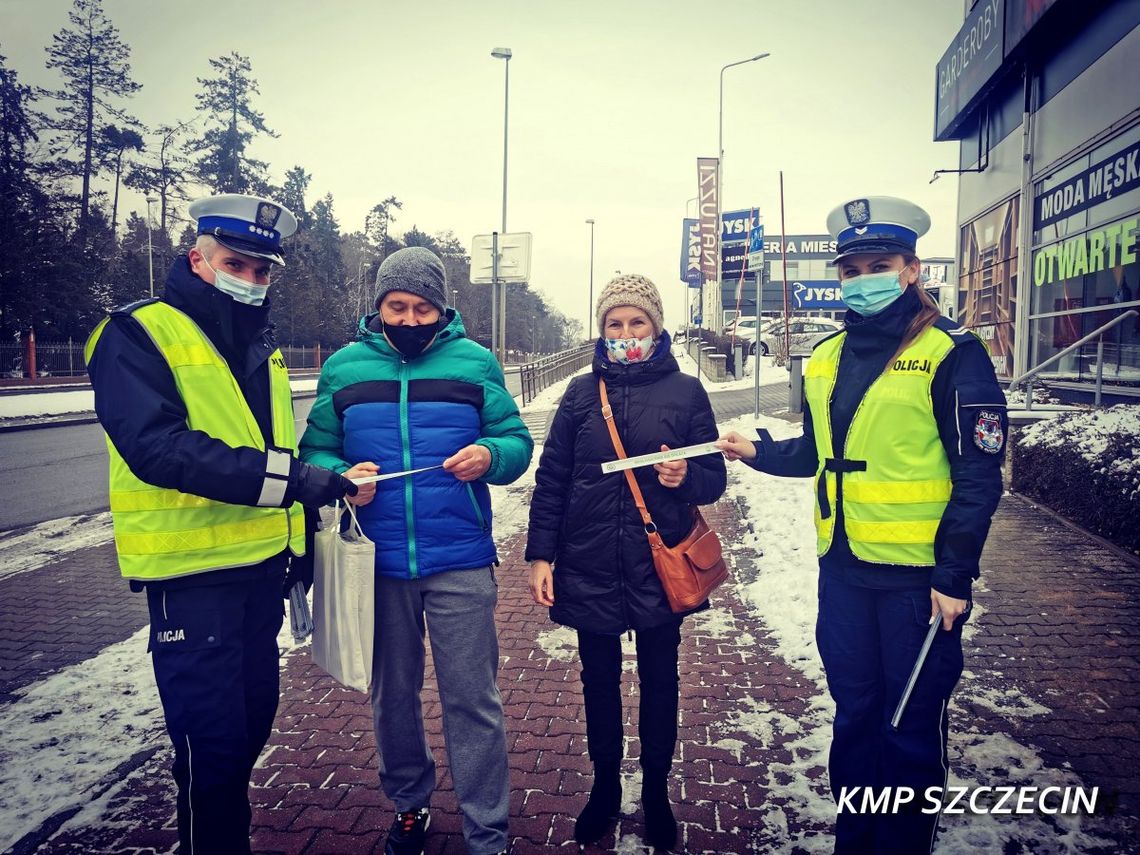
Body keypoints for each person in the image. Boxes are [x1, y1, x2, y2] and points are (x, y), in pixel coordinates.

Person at [717, 196, 1007, 854]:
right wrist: (758, 450)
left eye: (880, 263)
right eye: (852, 268)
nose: (863, 277)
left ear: (911, 269)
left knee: (906, 729)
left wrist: (954, 573)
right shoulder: (825, 357)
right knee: (854, 721)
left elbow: (979, 475)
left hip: (917, 586)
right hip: (843, 576)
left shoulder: (952, 353)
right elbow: (822, 452)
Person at [85, 193, 361, 854]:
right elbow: (160, 450)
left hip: (259, 577)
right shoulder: (135, 332)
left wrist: (295, 546)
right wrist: (296, 483)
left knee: (249, 727)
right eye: (237, 262)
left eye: (264, 270)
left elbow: (269, 445)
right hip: (193, 579)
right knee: (209, 752)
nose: (252, 277)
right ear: (198, 259)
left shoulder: (257, 342)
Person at [299, 247, 532, 855]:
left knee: (472, 700)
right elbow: (315, 453)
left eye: (421, 307)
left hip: (459, 559)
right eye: (396, 306)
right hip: (374, 564)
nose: (408, 318)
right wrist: (342, 472)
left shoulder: (476, 363)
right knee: (392, 698)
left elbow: (513, 440)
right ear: (378, 307)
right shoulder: (344, 369)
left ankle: (488, 829)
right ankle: (409, 805)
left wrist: (490, 457)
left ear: (442, 307)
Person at [525, 274, 727, 851]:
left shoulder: (687, 393)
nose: (626, 332)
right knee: (598, 683)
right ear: (602, 330)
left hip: (658, 565)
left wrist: (686, 475)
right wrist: (542, 554)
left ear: (657, 327)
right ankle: (606, 787)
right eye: (615, 323)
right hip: (587, 564)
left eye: (637, 321)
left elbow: (713, 476)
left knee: (662, 681)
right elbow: (553, 479)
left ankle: (657, 793)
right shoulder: (581, 394)